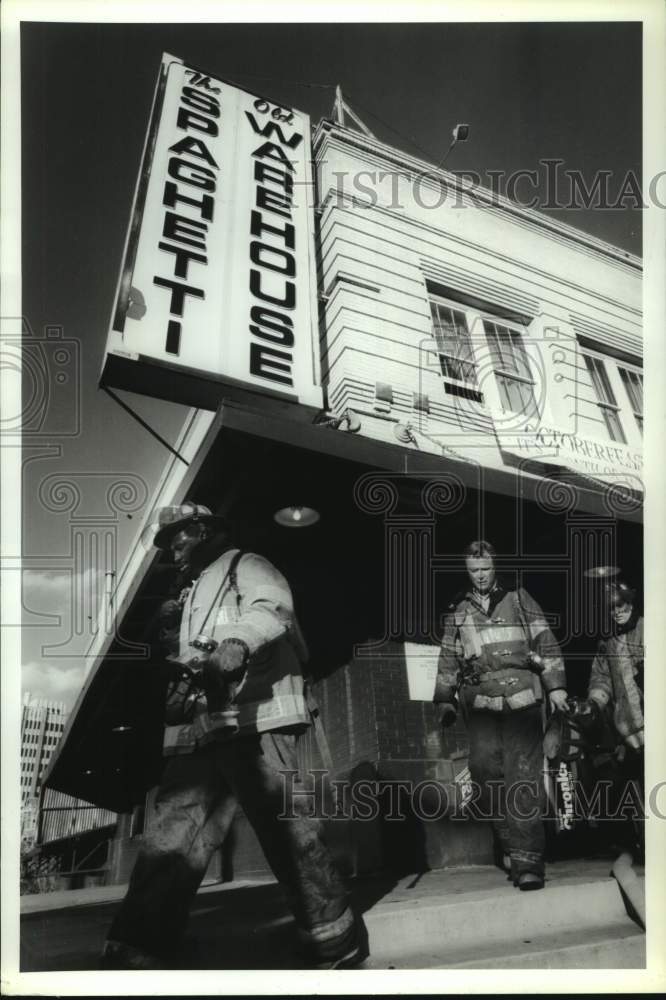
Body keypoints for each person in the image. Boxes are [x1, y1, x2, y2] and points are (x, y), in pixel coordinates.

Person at [102, 503, 367, 969]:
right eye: (165, 545)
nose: (171, 551)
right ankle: (136, 950)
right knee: (171, 840)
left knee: (287, 833)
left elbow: (274, 605)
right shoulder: (189, 594)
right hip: (202, 733)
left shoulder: (247, 564)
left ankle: (334, 939)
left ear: (201, 530)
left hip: (257, 722)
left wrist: (237, 642)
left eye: (177, 540)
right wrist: (171, 636)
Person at [434, 540, 568, 890]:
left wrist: (556, 686)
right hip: (480, 703)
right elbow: (448, 659)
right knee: (483, 772)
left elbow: (546, 642)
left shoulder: (520, 599)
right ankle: (510, 842)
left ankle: (528, 864)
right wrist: (444, 700)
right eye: (474, 571)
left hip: (522, 699)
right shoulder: (458, 610)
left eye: (486, 569)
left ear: (496, 568)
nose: (480, 576)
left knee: (521, 775)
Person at [569, 569, 644, 856]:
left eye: (621, 606)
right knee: (639, 794)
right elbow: (601, 679)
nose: (617, 613)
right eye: (611, 608)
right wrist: (593, 704)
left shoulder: (651, 628)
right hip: (632, 735)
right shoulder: (608, 641)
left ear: (631, 602)